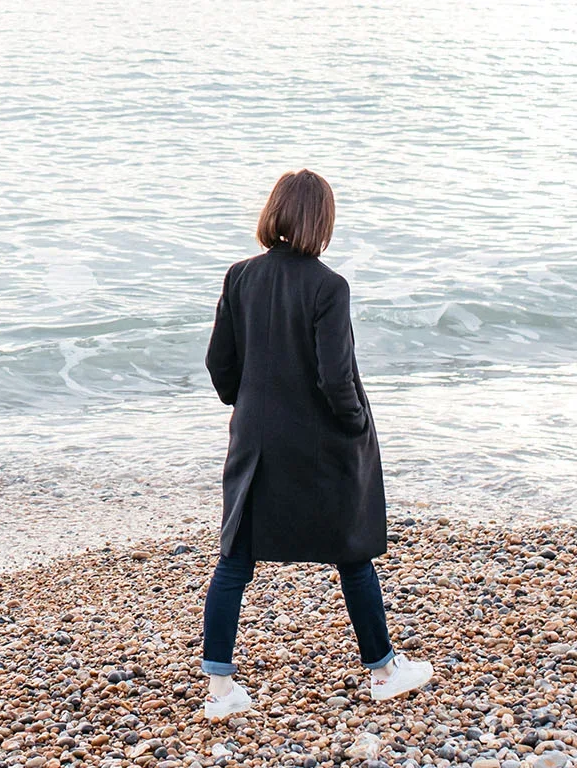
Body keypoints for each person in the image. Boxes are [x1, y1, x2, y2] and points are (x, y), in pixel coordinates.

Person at [199, 169, 435, 721]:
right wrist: (353, 423)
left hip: (255, 441)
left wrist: (248, 402)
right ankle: (383, 671)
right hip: (319, 443)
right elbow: (336, 377)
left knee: (234, 559)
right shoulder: (329, 286)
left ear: (274, 212)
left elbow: (219, 363)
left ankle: (221, 692)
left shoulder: (240, 276)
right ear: (322, 221)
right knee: (351, 551)